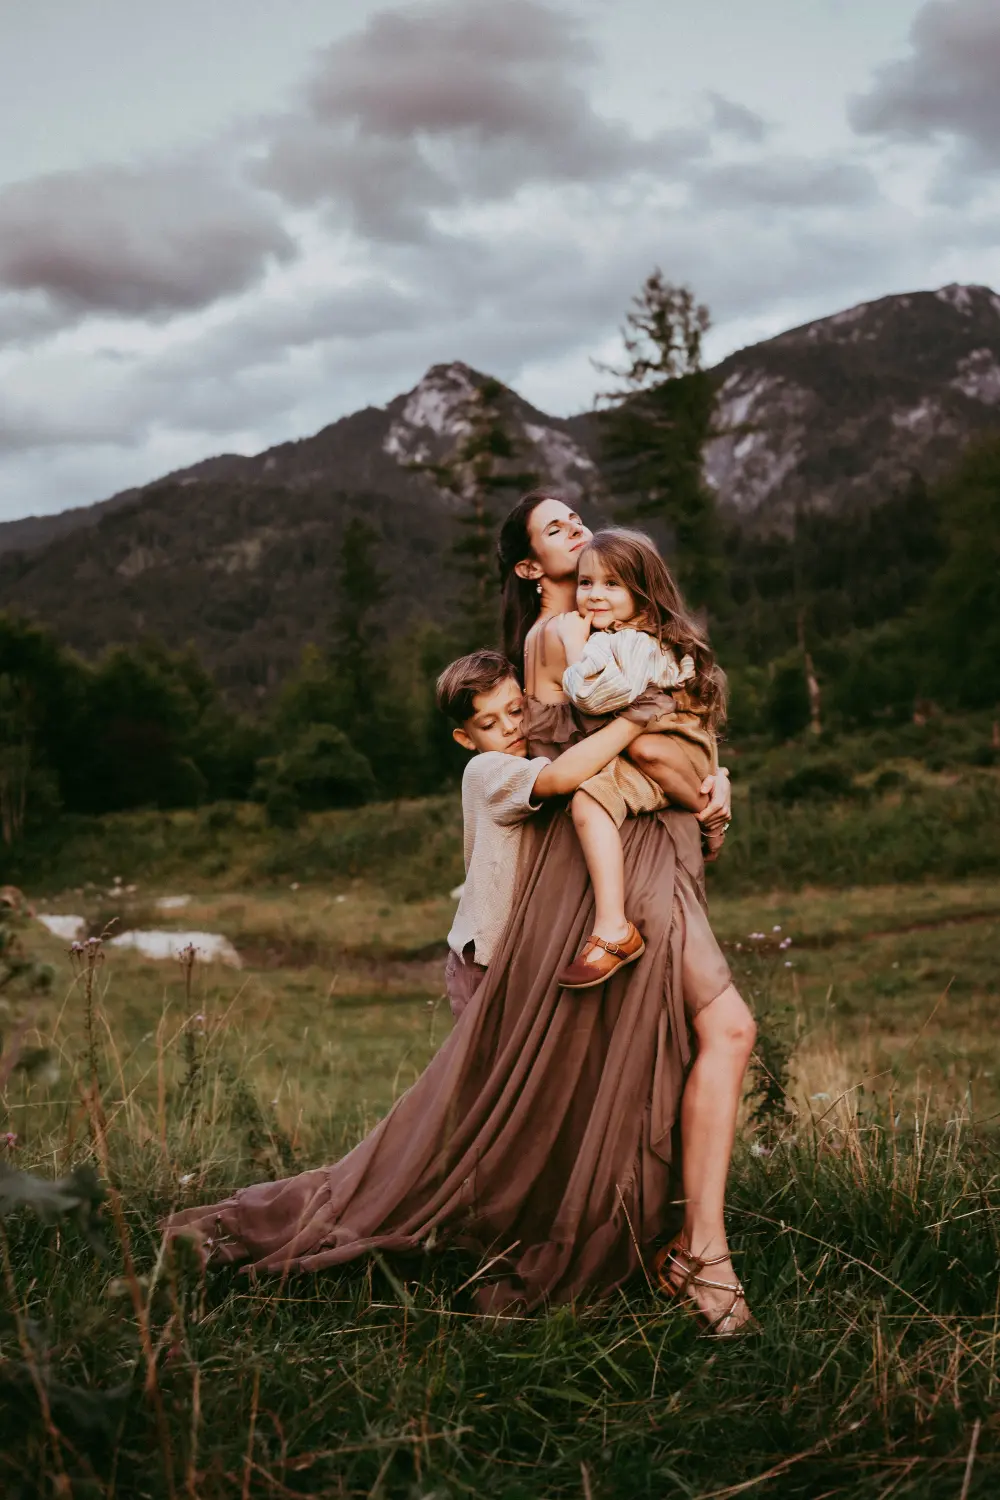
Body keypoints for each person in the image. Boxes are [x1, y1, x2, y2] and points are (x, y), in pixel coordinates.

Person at [498, 490, 756, 1334]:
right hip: (626, 844)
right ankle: (698, 1254)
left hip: (645, 835)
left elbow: (680, 731)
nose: (574, 529)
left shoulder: (605, 631)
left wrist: (714, 783)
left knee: (671, 1043)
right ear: (532, 567)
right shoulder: (572, 634)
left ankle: (675, 1240)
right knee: (721, 1030)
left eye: (576, 516)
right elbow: (640, 743)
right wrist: (699, 784)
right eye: (555, 529)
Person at [555, 528, 727, 990]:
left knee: (643, 749)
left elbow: (600, 694)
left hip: (674, 742)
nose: (594, 595)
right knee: (587, 802)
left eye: (613, 585)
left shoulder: (636, 641)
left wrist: (574, 646)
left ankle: (708, 818)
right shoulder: (615, 635)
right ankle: (613, 926)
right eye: (586, 582)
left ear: (645, 596)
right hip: (644, 755)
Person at [436, 648, 651, 1018]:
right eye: (488, 725)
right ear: (465, 739)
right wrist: (638, 717)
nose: (508, 727)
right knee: (487, 1070)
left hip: (521, 956)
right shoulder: (486, 769)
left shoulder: (532, 758)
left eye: (516, 711)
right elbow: (563, 776)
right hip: (482, 960)